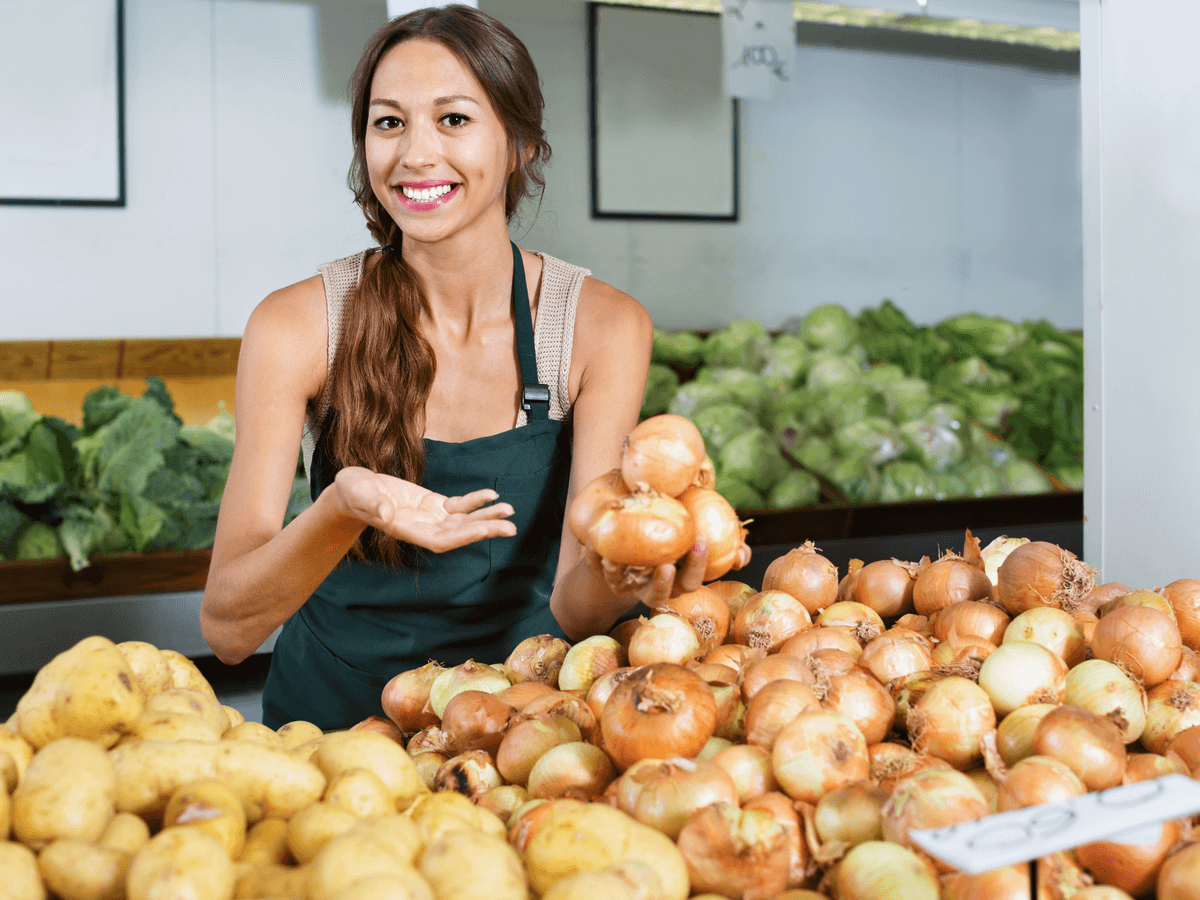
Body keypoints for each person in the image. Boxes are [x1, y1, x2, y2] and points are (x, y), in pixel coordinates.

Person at [200, 5, 743, 730]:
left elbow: (574, 605)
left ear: (519, 144)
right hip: (329, 732)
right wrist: (343, 507)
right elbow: (228, 631)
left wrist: (624, 577)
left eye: (453, 119)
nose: (416, 155)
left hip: (514, 733)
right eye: (389, 123)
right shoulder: (298, 325)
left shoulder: (598, 328)